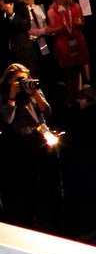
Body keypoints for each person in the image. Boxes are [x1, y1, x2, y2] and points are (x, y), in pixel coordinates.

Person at [0, 63, 64, 230]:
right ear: (9, 81)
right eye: (20, 79)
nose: (25, 82)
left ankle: (59, 217)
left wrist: (35, 93)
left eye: (26, 78)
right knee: (31, 184)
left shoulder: (33, 88)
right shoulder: (4, 95)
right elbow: (7, 119)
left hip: (44, 136)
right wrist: (12, 96)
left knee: (55, 181)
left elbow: (47, 111)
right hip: (26, 144)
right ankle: (32, 220)